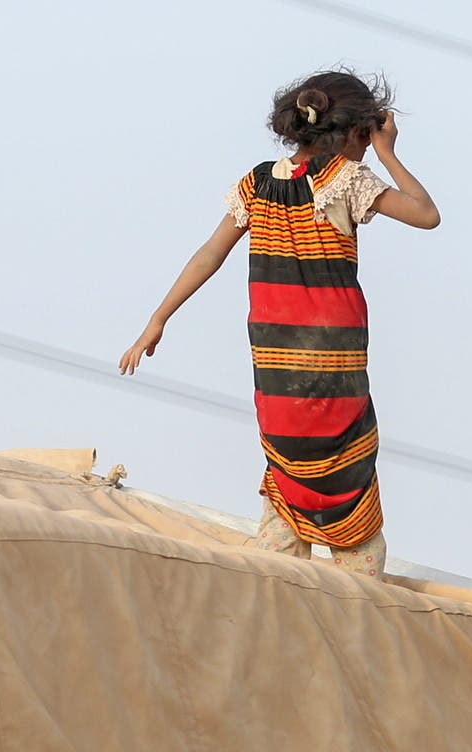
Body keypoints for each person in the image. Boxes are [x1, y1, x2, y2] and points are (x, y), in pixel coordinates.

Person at [119, 69, 441, 578]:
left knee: (287, 465)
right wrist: (388, 153)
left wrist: (157, 320)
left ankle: (281, 559)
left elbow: (209, 254)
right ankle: (353, 588)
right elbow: (427, 214)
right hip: (333, 373)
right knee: (347, 470)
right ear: (357, 130)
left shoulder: (257, 182)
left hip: (276, 375)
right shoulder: (346, 179)